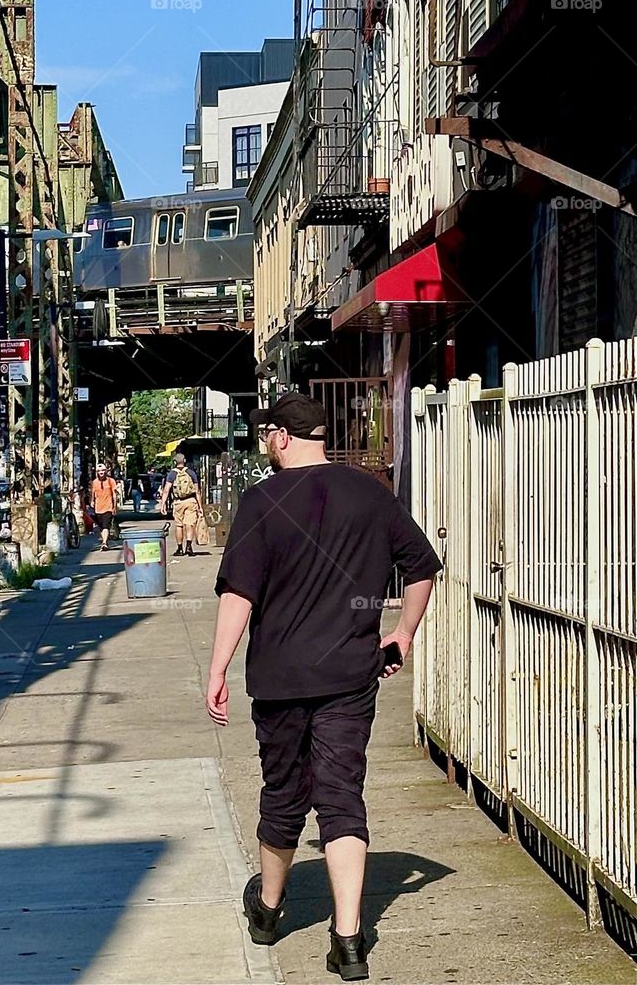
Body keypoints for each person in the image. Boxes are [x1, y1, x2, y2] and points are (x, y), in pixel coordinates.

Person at [205, 392, 441, 978]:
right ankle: (349, 938)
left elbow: (240, 594)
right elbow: (422, 568)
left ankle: (268, 907)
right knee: (341, 797)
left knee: (284, 794)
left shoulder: (261, 501)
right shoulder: (370, 493)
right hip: (350, 675)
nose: (266, 443)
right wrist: (402, 634)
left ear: (282, 436)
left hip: (280, 679)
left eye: (267, 434)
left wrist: (217, 670)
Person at [159, 452, 204, 557]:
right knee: (190, 524)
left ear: (175, 462)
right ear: (184, 461)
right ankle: (189, 546)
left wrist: (163, 504)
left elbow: (166, 490)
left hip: (178, 502)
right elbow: (197, 491)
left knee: (179, 525)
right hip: (191, 501)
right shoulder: (191, 473)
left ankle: (179, 548)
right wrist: (200, 506)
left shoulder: (172, 474)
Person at [89, 464, 118, 551]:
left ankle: (104, 543)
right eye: (99, 471)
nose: (101, 472)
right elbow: (93, 494)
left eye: (103, 471)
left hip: (108, 507)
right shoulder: (94, 482)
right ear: (97, 472)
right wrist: (92, 501)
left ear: (106, 471)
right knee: (101, 527)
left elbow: (114, 495)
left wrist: (115, 506)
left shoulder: (111, 481)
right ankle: (105, 541)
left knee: (106, 525)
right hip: (98, 508)